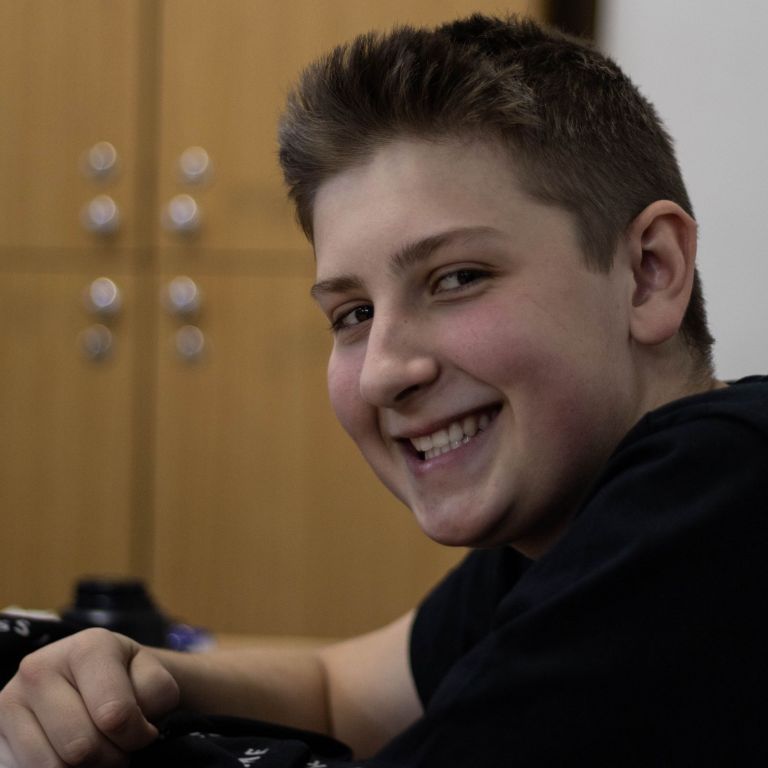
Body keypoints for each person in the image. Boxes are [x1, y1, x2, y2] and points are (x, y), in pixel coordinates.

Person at [2, 12, 767, 767]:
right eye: (354, 315)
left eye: (457, 278)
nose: (383, 372)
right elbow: (343, 695)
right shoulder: (573, 518)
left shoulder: (715, 498)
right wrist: (130, 679)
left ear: (650, 272)